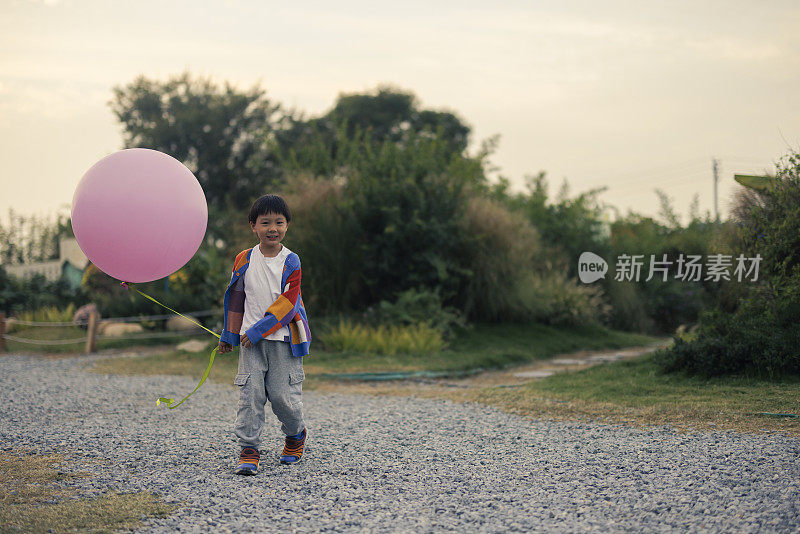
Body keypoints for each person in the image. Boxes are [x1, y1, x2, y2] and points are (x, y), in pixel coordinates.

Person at [218, 194, 311, 475]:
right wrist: (229, 335)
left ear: (287, 226)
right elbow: (236, 298)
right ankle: (249, 449)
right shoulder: (243, 259)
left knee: (283, 396)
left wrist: (259, 330)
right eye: (266, 222)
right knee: (251, 395)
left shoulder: (291, 261)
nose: (273, 228)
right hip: (250, 343)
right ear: (253, 227)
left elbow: (288, 303)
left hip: (283, 339)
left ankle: (295, 435)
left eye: (279, 222)